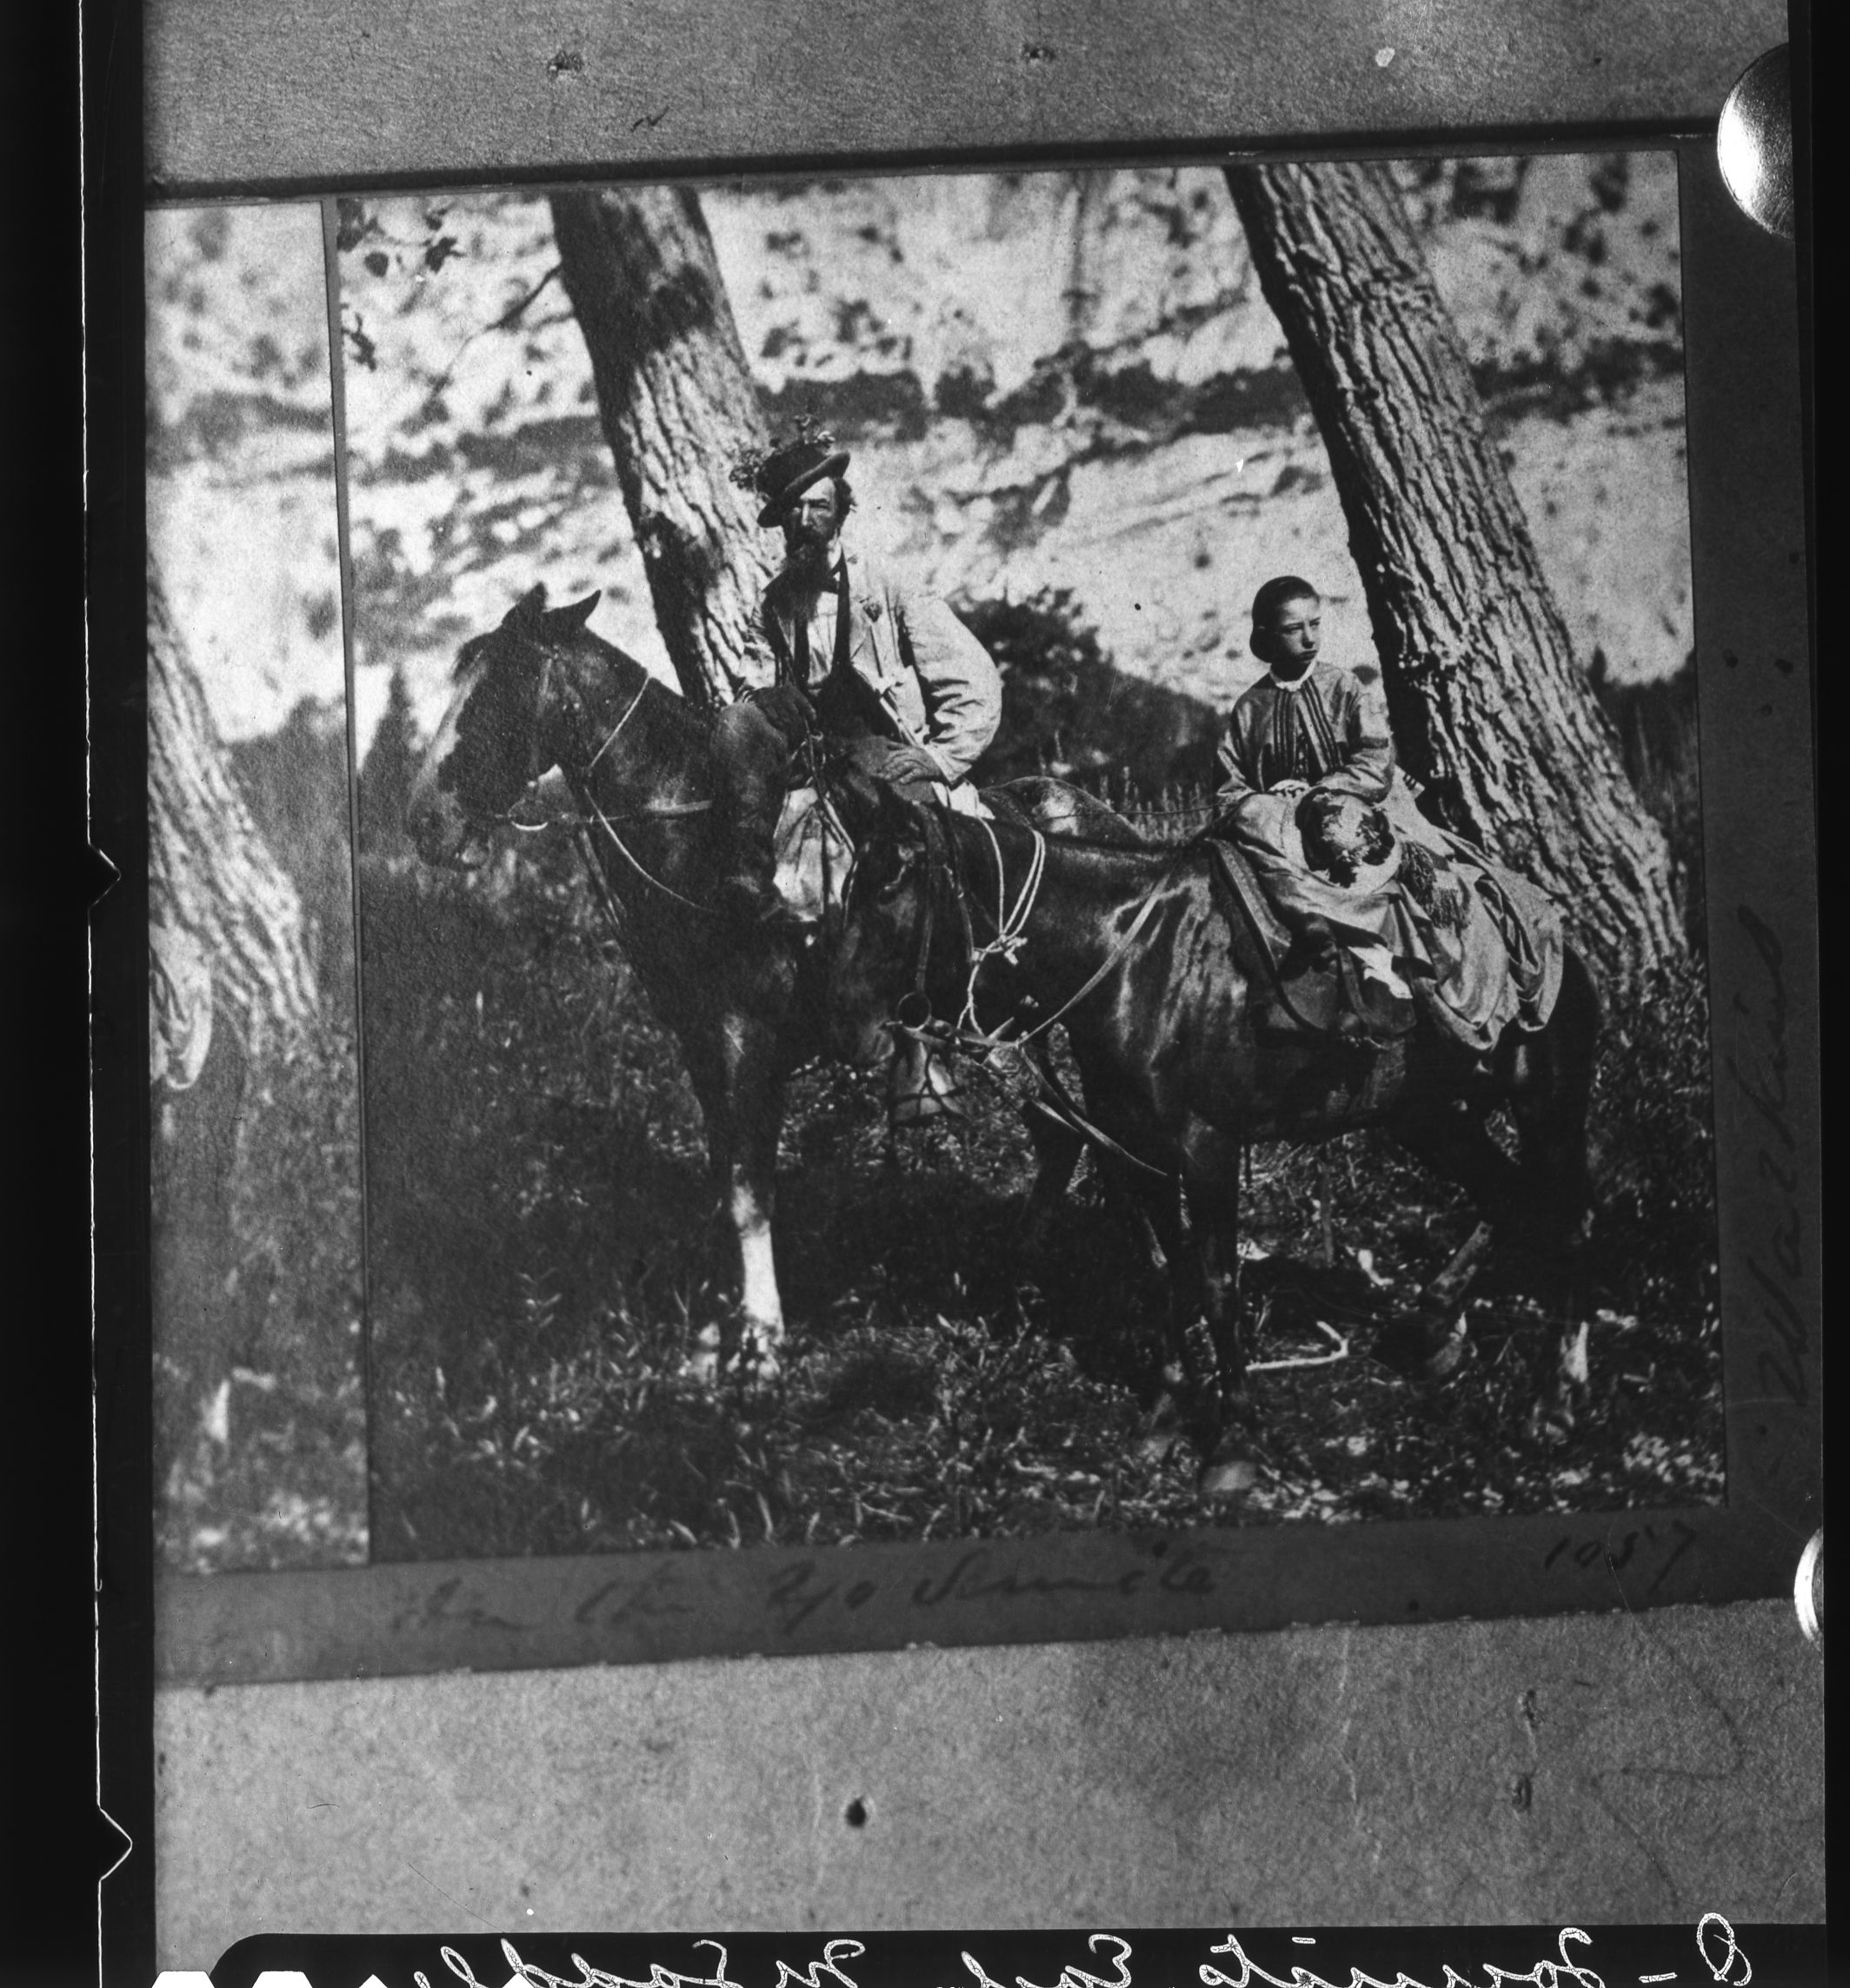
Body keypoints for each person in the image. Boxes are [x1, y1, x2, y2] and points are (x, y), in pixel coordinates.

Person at [1214, 575, 1561, 1051]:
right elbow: (1228, 787)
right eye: (1295, 629)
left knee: (1417, 880)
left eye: (1316, 623)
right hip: (1282, 830)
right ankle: (1306, 938)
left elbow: (1375, 761)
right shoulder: (1248, 710)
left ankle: (1395, 973)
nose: (1311, 638)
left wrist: (1321, 790)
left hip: (1363, 810)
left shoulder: (1344, 687)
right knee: (1247, 825)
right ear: (1266, 637)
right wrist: (1274, 797)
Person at [714, 427, 1002, 930]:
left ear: (841, 513)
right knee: (735, 723)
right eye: (794, 511)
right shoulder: (774, 605)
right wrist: (763, 696)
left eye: (819, 508)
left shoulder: (887, 585)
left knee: (925, 882)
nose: (806, 522)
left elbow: (974, 681)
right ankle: (751, 892)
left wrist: (938, 758)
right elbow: (746, 684)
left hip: (885, 754)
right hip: (817, 763)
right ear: (781, 521)